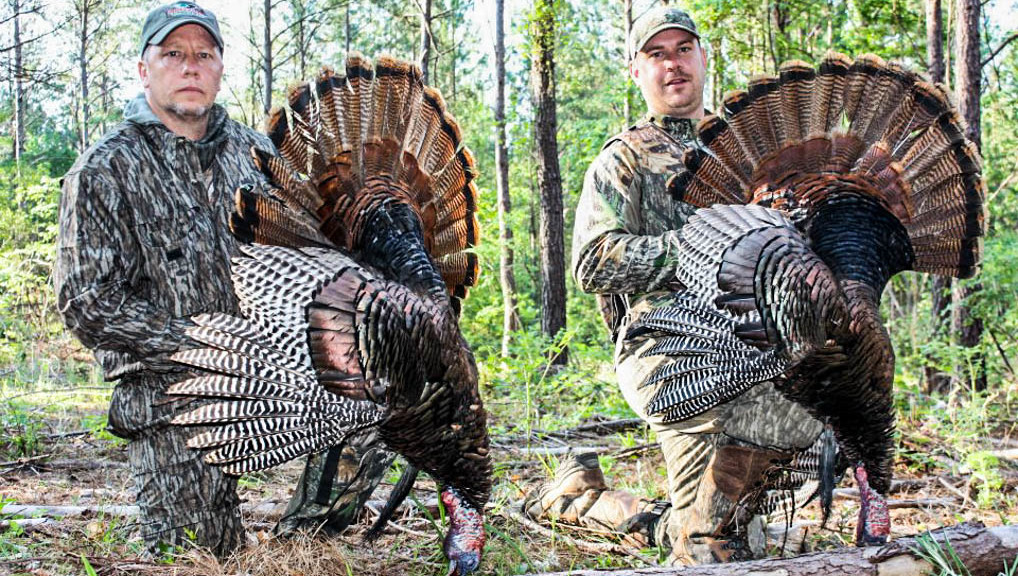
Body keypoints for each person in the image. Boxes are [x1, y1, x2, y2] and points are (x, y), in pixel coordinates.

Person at [54, 1, 390, 556]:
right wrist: (201, 348)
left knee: (383, 406)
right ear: (145, 69)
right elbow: (86, 301)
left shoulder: (259, 156)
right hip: (176, 392)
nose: (190, 67)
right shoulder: (104, 168)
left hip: (280, 379)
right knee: (200, 558)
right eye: (173, 54)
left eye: (203, 55)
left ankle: (301, 546)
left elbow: (311, 262)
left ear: (219, 67)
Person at [524, 6, 825, 565]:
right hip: (668, 348)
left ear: (703, 58)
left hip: (753, 343)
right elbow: (592, 262)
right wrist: (700, 245)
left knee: (735, 527)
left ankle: (594, 500)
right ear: (636, 72)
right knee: (715, 552)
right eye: (655, 54)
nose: (672, 65)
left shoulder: (749, 152)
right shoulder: (624, 159)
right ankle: (595, 507)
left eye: (682, 49)